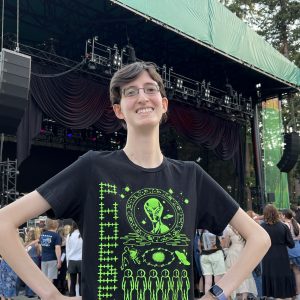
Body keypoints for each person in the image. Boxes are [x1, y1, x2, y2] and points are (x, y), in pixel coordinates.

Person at [0, 61, 270, 300]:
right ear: (118, 110)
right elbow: (4, 222)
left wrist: (217, 294)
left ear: (163, 104)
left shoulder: (190, 176)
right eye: (131, 92)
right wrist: (49, 294)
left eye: (150, 89)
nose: (142, 97)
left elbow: (259, 238)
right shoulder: (93, 168)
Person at [261, 204, 295, 299]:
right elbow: (291, 244)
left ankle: (274, 296)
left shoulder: (262, 227)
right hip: (282, 256)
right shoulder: (283, 226)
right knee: (282, 276)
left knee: (271, 276)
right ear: (276, 213)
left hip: (268, 256)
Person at [223, 225, 257, 299]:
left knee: (232, 274)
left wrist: (225, 250)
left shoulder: (228, 229)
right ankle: (244, 297)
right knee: (244, 275)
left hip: (233, 253)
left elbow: (226, 244)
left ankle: (233, 295)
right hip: (243, 252)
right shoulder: (244, 228)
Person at [39, 219, 62, 283]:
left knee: (45, 279)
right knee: (50, 279)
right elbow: (57, 248)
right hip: (52, 259)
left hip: (44, 259)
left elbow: (40, 247)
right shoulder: (56, 235)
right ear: (56, 225)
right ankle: (49, 292)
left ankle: (44, 292)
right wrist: (59, 261)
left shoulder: (42, 234)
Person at [66, 221, 82, 297]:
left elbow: (67, 250)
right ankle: (82, 297)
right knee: (82, 282)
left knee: (72, 283)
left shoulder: (69, 235)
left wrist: (67, 263)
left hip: (71, 261)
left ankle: (72, 297)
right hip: (81, 261)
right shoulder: (82, 235)